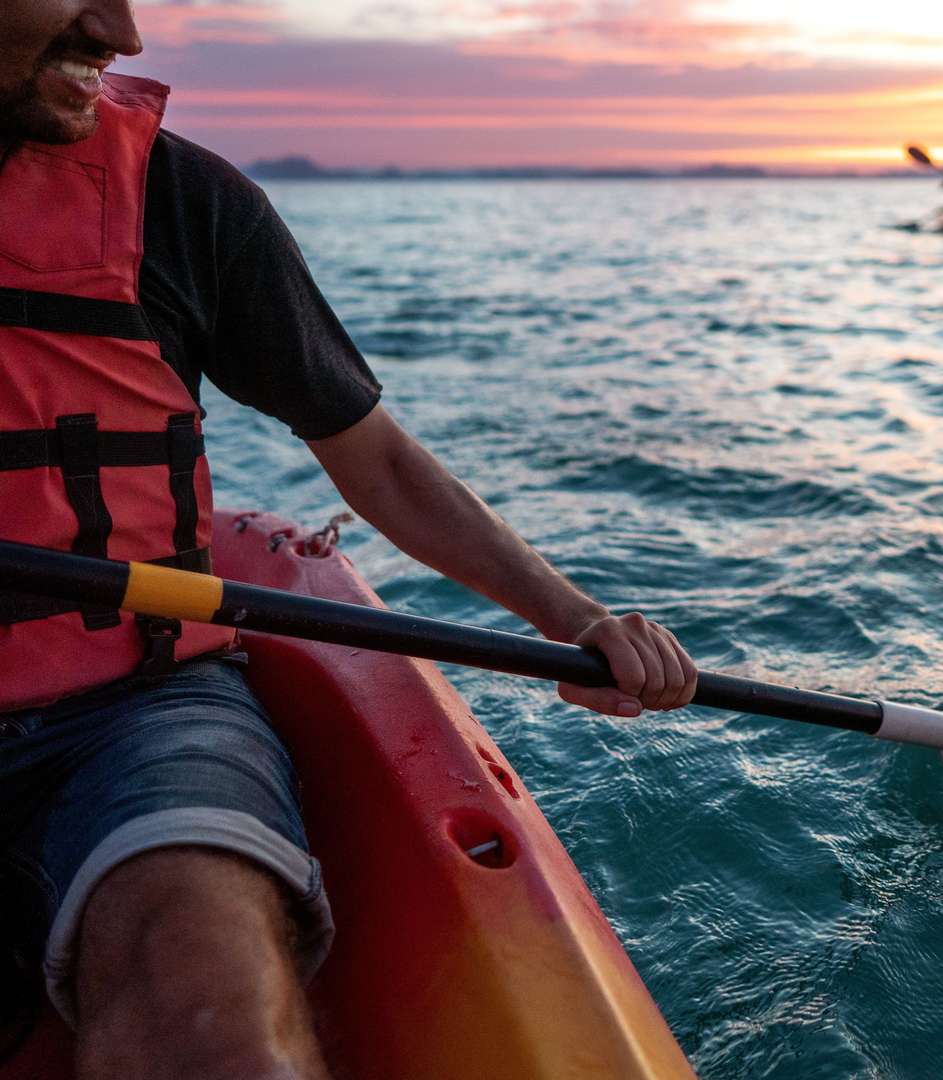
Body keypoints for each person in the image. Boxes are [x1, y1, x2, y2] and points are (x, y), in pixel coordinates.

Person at [0, 3, 698, 1078]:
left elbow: (377, 464)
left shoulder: (189, 204)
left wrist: (579, 620)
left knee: (209, 1026)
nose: (123, 32)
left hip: (134, 717)